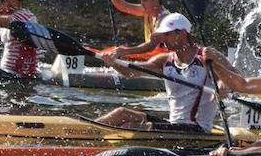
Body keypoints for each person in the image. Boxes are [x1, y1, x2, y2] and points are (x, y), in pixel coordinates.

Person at [96, 12, 231, 132]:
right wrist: (113, 63)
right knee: (121, 113)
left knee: (131, 127)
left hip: (198, 128)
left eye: (167, 34)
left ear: (182, 33)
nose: (163, 40)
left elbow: (235, 74)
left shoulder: (207, 56)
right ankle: (87, 131)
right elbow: (130, 72)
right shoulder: (164, 61)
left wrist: (224, 83)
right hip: (174, 125)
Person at [103, 0, 169, 58]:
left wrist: (125, 51)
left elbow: (151, 45)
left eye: (145, 1)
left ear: (156, 1)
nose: (142, 4)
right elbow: (124, 6)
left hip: (165, 59)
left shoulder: (164, 19)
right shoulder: (147, 10)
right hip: (153, 56)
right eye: (141, 1)